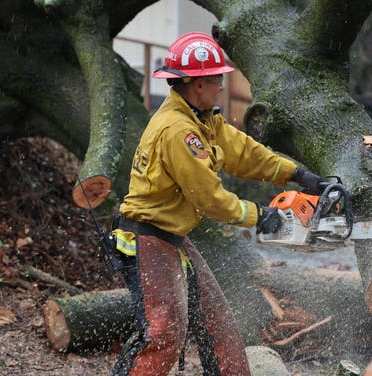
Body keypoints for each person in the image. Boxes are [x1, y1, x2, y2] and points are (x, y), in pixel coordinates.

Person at [110, 32, 326, 376]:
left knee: (220, 328)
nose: (223, 85)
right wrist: (260, 216)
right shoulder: (179, 131)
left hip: (173, 239)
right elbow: (208, 197)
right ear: (197, 84)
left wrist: (298, 175)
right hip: (147, 240)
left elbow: (244, 152)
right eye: (217, 79)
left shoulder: (203, 119)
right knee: (163, 332)